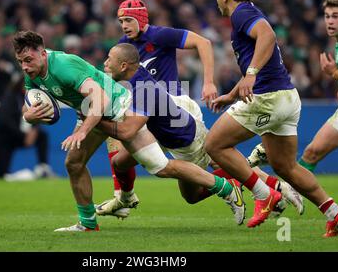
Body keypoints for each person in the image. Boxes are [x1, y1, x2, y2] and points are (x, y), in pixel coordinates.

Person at [14, 30, 245, 232]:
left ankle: (225, 187)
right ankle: (89, 223)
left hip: (117, 108)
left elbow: (101, 98)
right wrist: (28, 115)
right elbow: (29, 102)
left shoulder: (63, 66)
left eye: (28, 59)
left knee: (160, 167)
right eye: (20, 61)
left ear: (43, 53)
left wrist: (82, 131)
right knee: (75, 163)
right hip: (92, 113)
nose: (25, 66)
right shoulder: (31, 73)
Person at [101, 0, 301, 219]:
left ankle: (269, 189)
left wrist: (208, 82)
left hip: (175, 108)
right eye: (121, 21)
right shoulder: (123, 48)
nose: (124, 25)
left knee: (134, 146)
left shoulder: (158, 35)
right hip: (154, 112)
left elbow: (203, 43)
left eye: (128, 19)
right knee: (191, 193)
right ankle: (272, 187)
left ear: (141, 18)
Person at [205, 0, 338, 237]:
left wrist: (250, 74)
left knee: (214, 145)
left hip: (268, 98)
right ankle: (335, 213)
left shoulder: (240, 14)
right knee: (286, 167)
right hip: (287, 98)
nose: (217, 2)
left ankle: (265, 195)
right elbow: (264, 59)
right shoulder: (249, 12)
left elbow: (268, 35)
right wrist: (232, 93)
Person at [95, 43, 245, 225]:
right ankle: (125, 200)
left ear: (124, 66)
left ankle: (230, 185)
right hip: (161, 132)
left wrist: (97, 121)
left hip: (185, 142)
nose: (105, 62)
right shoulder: (134, 75)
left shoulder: (144, 90)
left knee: (191, 196)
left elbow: (127, 132)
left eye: (110, 59)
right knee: (119, 162)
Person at [297, 0, 338, 172]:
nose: (330, 21)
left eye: (335, 16)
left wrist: (335, 73)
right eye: (327, 16)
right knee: (311, 152)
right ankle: (291, 196)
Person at [0, 75, 55, 180]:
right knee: (1, 173)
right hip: (0, 138)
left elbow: (36, 116)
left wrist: (34, 130)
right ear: (21, 84)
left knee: (42, 135)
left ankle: (43, 168)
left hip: (16, 135)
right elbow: (4, 121)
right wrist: (24, 135)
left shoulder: (33, 100)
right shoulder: (10, 97)